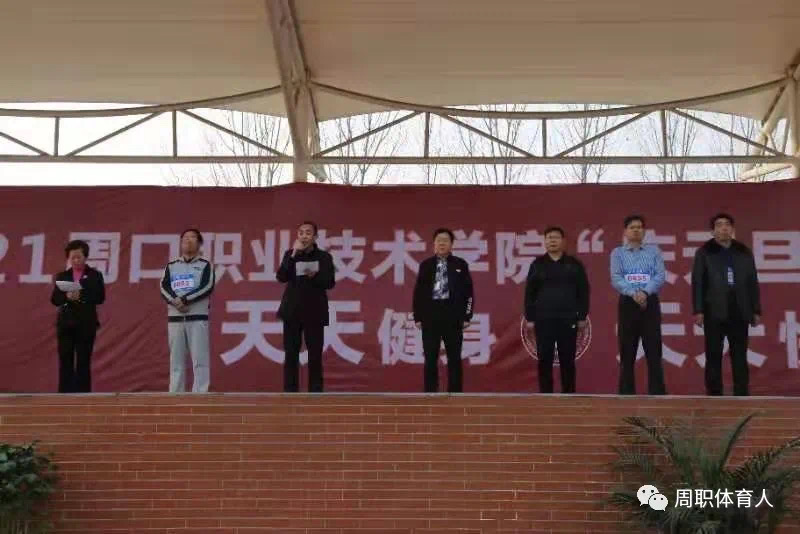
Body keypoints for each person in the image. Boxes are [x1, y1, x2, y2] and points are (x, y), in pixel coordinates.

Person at [692, 213, 761, 396]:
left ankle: (741, 392)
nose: (724, 228)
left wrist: (756, 309)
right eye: (719, 225)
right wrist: (698, 310)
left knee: (739, 354)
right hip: (714, 309)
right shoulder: (704, 252)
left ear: (732, 229)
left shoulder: (743, 252)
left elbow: (752, 281)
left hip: (740, 308)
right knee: (713, 354)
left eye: (727, 225)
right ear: (712, 231)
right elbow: (698, 282)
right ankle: (714, 393)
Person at [524, 227, 590, 393]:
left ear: (563, 241)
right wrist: (530, 317)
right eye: (549, 238)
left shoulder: (574, 264)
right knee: (544, 358)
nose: (552, 241)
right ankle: (546, 395)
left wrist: (582, 316)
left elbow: (583, 291)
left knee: (567, 359)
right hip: (543, 319)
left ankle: (569, 394)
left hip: (568, 318)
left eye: (556, 237)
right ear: (545, 241)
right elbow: (529, 293)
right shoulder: (537, 264)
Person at [610, 215, 667, 395]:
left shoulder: (654, 252)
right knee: (627, 350)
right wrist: (633, 293)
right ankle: (626, 393)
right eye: (632, 227)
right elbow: (616, 277)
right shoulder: (617, 253)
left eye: (640, 227)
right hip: (628, 302)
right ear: (625, 231)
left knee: (654, 350)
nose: (636, 230)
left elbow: (660, 276)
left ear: (644, 231)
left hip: (649, 302)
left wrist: (644, 292)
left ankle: (657, 392)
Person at [413, 228, 474, 393]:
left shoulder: (460, 265)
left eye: (445, 240)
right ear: (434, 244)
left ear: (451, 244)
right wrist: (418, 317)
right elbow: (418, 293)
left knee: (454, 358)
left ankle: (455, 393)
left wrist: (467, 316)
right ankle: (430, 393)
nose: (442, 243)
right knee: (430, 358)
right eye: (439, 240)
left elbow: (469, 293)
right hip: (430, 317)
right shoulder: (426, 265)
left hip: (453, 317)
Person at [277, 221, 336, 392]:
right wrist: (293, 254)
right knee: (291, 354)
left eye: (308, 233)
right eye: (301, 233)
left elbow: (330, 282)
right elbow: (281, 277)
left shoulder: (324, 257)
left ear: (315, 237)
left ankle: (315, 393)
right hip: (292, 311)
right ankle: (290, 392)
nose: (304, 236)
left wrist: (315, 276)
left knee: (315, 355)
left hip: (315, 312)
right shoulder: (290, 254)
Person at [160, 229, 215, 393]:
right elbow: (163, 287)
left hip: (197, 318)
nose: (188, 240)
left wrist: (185, 300)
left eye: (192, 237)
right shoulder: (171, 266)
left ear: (199, 243)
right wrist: (175, 301)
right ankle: (176, 393)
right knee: (176, 361)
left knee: (200, 360)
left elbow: (207, 287)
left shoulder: (205, 265)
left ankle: (200, 393)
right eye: (185, 238)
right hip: (175, 319)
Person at [50, 240, 106, 393]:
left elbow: (100, 297)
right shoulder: (63, 276)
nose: (75, 261)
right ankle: (64, 396)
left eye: (78, 257)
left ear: (85, 257)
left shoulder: (94, 275)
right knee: (65, 361)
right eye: (72, 258)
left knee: (83, 362)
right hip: (66, 325)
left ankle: (83, 396)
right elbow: (55, 299)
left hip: (86, 324)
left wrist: (81, 295)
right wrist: (67, 296)